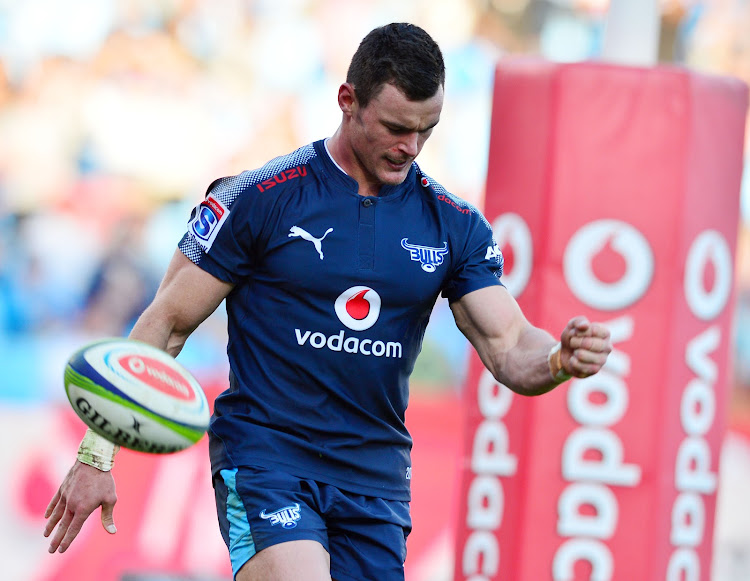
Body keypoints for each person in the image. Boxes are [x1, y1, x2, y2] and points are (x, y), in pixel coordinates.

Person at [44, 22, 612, 581]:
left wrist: (559, 358)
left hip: (375, 479)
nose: (409, 148)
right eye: (394, 127)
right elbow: (164, 325)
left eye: (426, 131)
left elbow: (510, 345)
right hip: (268, 458)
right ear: (348, 101)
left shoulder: (453, 226)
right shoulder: (260, 198)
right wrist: (97, 456)